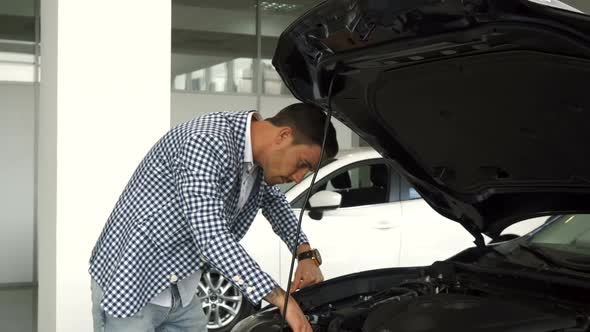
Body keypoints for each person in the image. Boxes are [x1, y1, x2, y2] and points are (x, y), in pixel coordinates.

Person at [89, 103, 339, 332]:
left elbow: (275, 203)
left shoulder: (257, 159)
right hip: (134, 281)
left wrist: (305, 253)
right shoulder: (205, 142)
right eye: (302, 164)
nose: (298, 177)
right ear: (283, 136)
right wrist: (281, 299)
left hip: (181, 289)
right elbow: (212, 238)